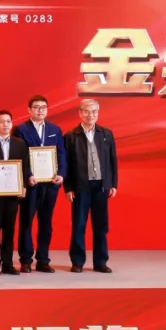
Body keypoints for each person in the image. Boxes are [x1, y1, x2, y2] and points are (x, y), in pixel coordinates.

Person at [63, 99, 118, 274]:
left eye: (94, 111)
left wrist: (113, 184)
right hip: (81, 187)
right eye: (87, 111)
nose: (90, 115)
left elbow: (112, 160)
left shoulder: (106, 134)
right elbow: (66, 164)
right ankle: (77, 262)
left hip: (101, 186)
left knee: (101, 226)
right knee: (79, 225)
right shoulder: (71, 136)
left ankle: (100, 262)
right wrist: (68, 187)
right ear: (80, 113)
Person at [14, 95, 67, 273]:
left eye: (43, 107)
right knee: (26, 221)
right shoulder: (21, 129)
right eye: (36, 107)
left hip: (50, 183)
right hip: (31, 183)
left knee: (46, 222)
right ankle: (26, 259)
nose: (40, 110)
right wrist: (28, 175)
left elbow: (61, 153)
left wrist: (61, 174)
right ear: (29, 110)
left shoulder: (55, 129)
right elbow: (18, 155)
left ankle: (43, 260)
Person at [0, 110, 33, 276]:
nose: (5, 124)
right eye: (1, 122)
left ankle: (8, 264)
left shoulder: (20, 143)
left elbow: (24, 166)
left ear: (12, 124)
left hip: (13, 193)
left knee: (10, 229)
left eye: (8, 121)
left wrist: (23, 186)